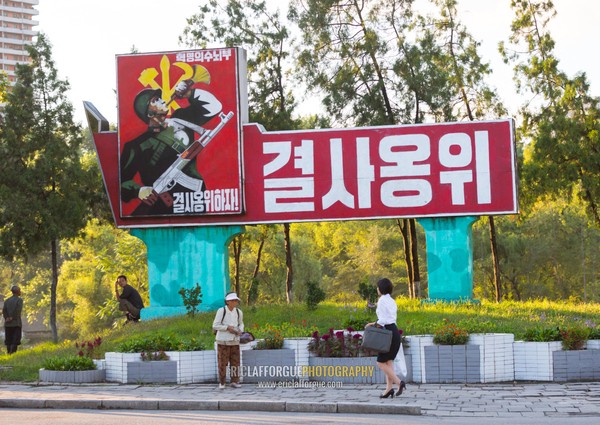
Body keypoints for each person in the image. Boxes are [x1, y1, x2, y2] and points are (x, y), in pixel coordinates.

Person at [120, 76, 222, 216]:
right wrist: (138, 191)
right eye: (155, 100)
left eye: (159, 97)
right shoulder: (136, 146)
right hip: (160, 209)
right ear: (149, 113)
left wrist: (189, 94)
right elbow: (120, 182)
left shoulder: (181, 119)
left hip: (194, 203)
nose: (162, 100)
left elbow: (215, 106)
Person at [365, 278, 406, 399]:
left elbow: (382, 320)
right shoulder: (392, 301)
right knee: (389, 362)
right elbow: (389, 318)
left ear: (380, 289)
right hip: (394, 331)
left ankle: (399, 383)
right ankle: (389, 389)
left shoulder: (382, 300)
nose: (377, 289)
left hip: (387, 333)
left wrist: (371, 324)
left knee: (380, 362)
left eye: (378, 287)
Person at [212, 292, 244, 389]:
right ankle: (222, 382)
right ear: (228, 302)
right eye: (233, 300)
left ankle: (235, 381)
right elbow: (215, 325)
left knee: (235, 362)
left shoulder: (239, 312)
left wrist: (240, 330)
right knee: (223, 362)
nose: (235, 302)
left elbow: (241, 323)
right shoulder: (221, 311)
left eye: (236, 301)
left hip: (235, 340)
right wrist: (227, 328)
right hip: (223, 341)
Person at [2, 285, 23, 355]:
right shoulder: (19, 300)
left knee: (8, 339)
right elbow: (18, 310)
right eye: (19, 290)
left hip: (8, 323)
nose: (20, 291)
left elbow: (4, 310)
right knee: (15, 340)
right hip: (16, 323)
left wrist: (7, 318)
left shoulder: (7, 301)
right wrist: (12, 317)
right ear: (17, 291)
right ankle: (13, 353)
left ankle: (8, 353)